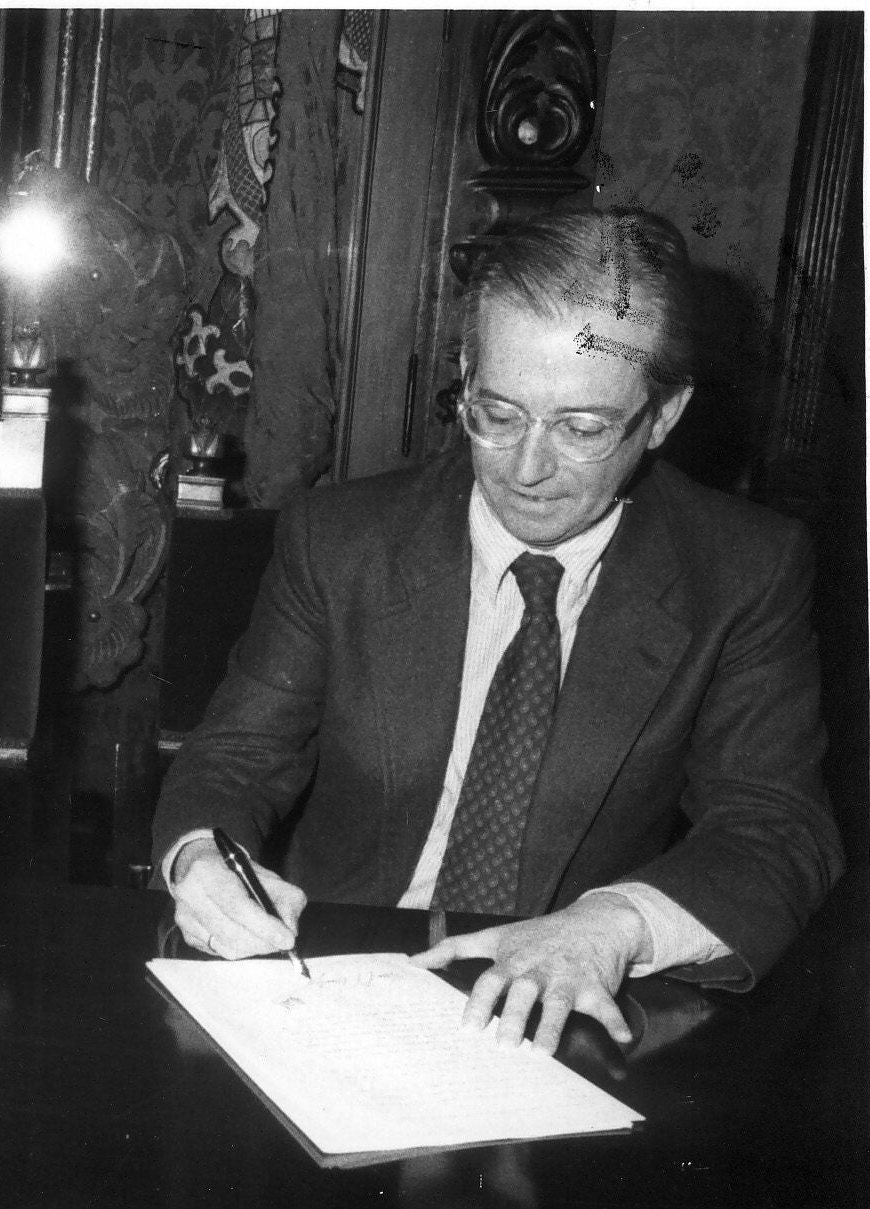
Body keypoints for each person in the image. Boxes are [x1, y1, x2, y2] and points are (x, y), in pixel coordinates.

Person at [153, 207, 840, 1051]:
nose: (527, 468)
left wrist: (611, 925)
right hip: (332, 983)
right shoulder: (338, 541)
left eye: (582, 428)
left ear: (662, 417)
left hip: (568, 998)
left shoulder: (743, 570)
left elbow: (775, 828)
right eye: (497, 412)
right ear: (466, 378)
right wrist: (199, 859)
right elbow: (234, 757)